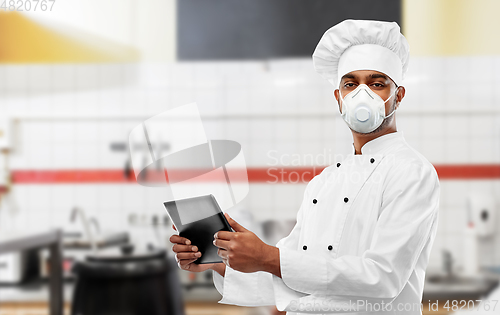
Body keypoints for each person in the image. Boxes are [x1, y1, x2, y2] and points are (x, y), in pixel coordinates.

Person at [170, 19, 439, 315]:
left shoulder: (412, 172)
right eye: (350, 84)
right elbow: (292, 280)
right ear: (339, 98)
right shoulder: (324, 182)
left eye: (377, 83)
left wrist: (268, 256)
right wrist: (221, 262)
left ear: (397, 96)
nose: (363, 94)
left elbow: (383, 278)